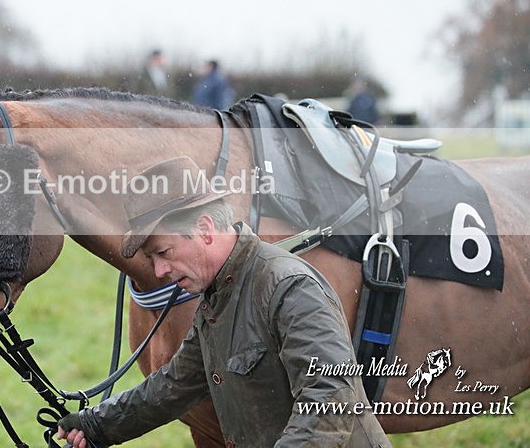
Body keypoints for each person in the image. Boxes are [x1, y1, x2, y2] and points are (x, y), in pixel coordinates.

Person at [58, 157, 390, 447]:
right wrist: (95, 425)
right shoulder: (217, 297)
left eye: (163, 253)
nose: (159, 271)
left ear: (204, 229)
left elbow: (330, 397)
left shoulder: (288, 287)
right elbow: (176, 384)